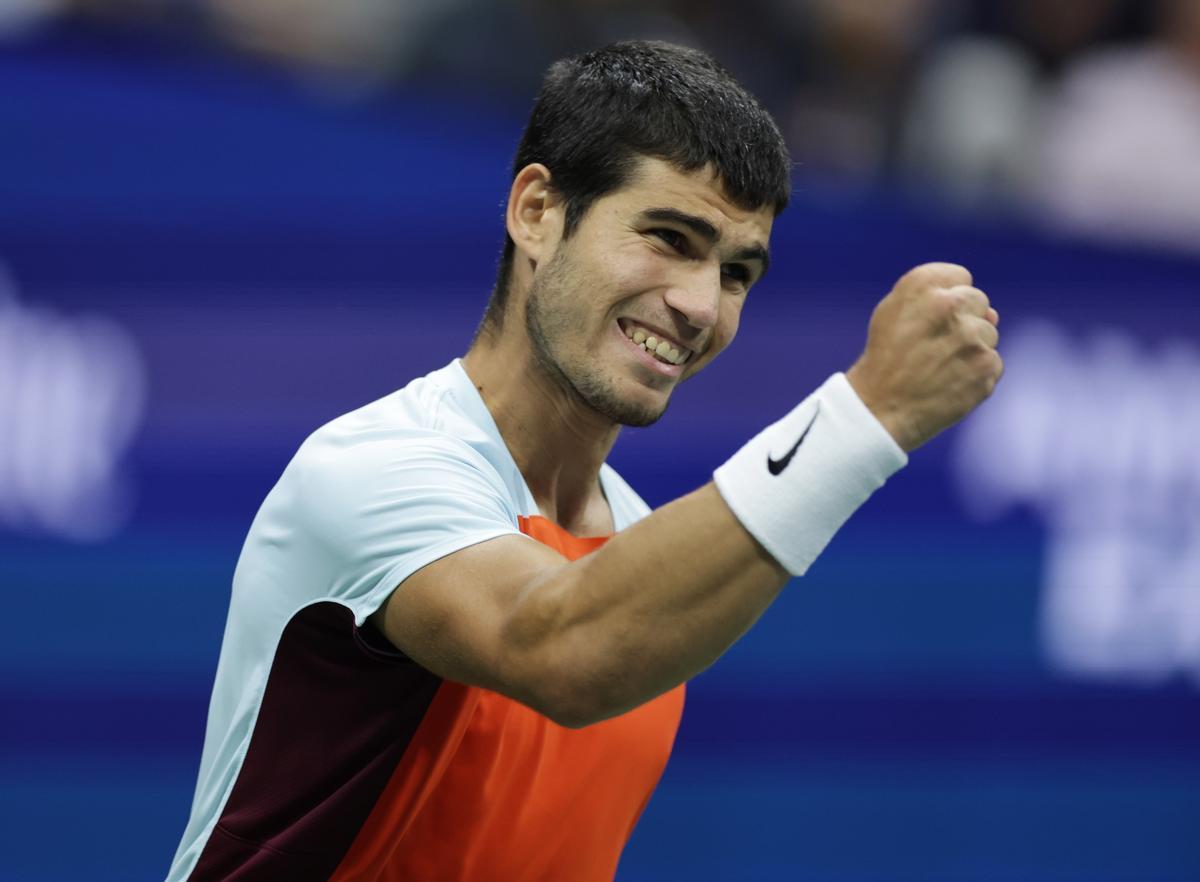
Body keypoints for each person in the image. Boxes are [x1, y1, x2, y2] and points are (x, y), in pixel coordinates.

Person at [165, 40, 1002, 882]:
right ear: (536, 211)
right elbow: (561, 647)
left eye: (738, 272)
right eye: (670, 237)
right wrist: (865, 418)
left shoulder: (641, 549)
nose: (701, 306)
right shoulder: (376, 467)